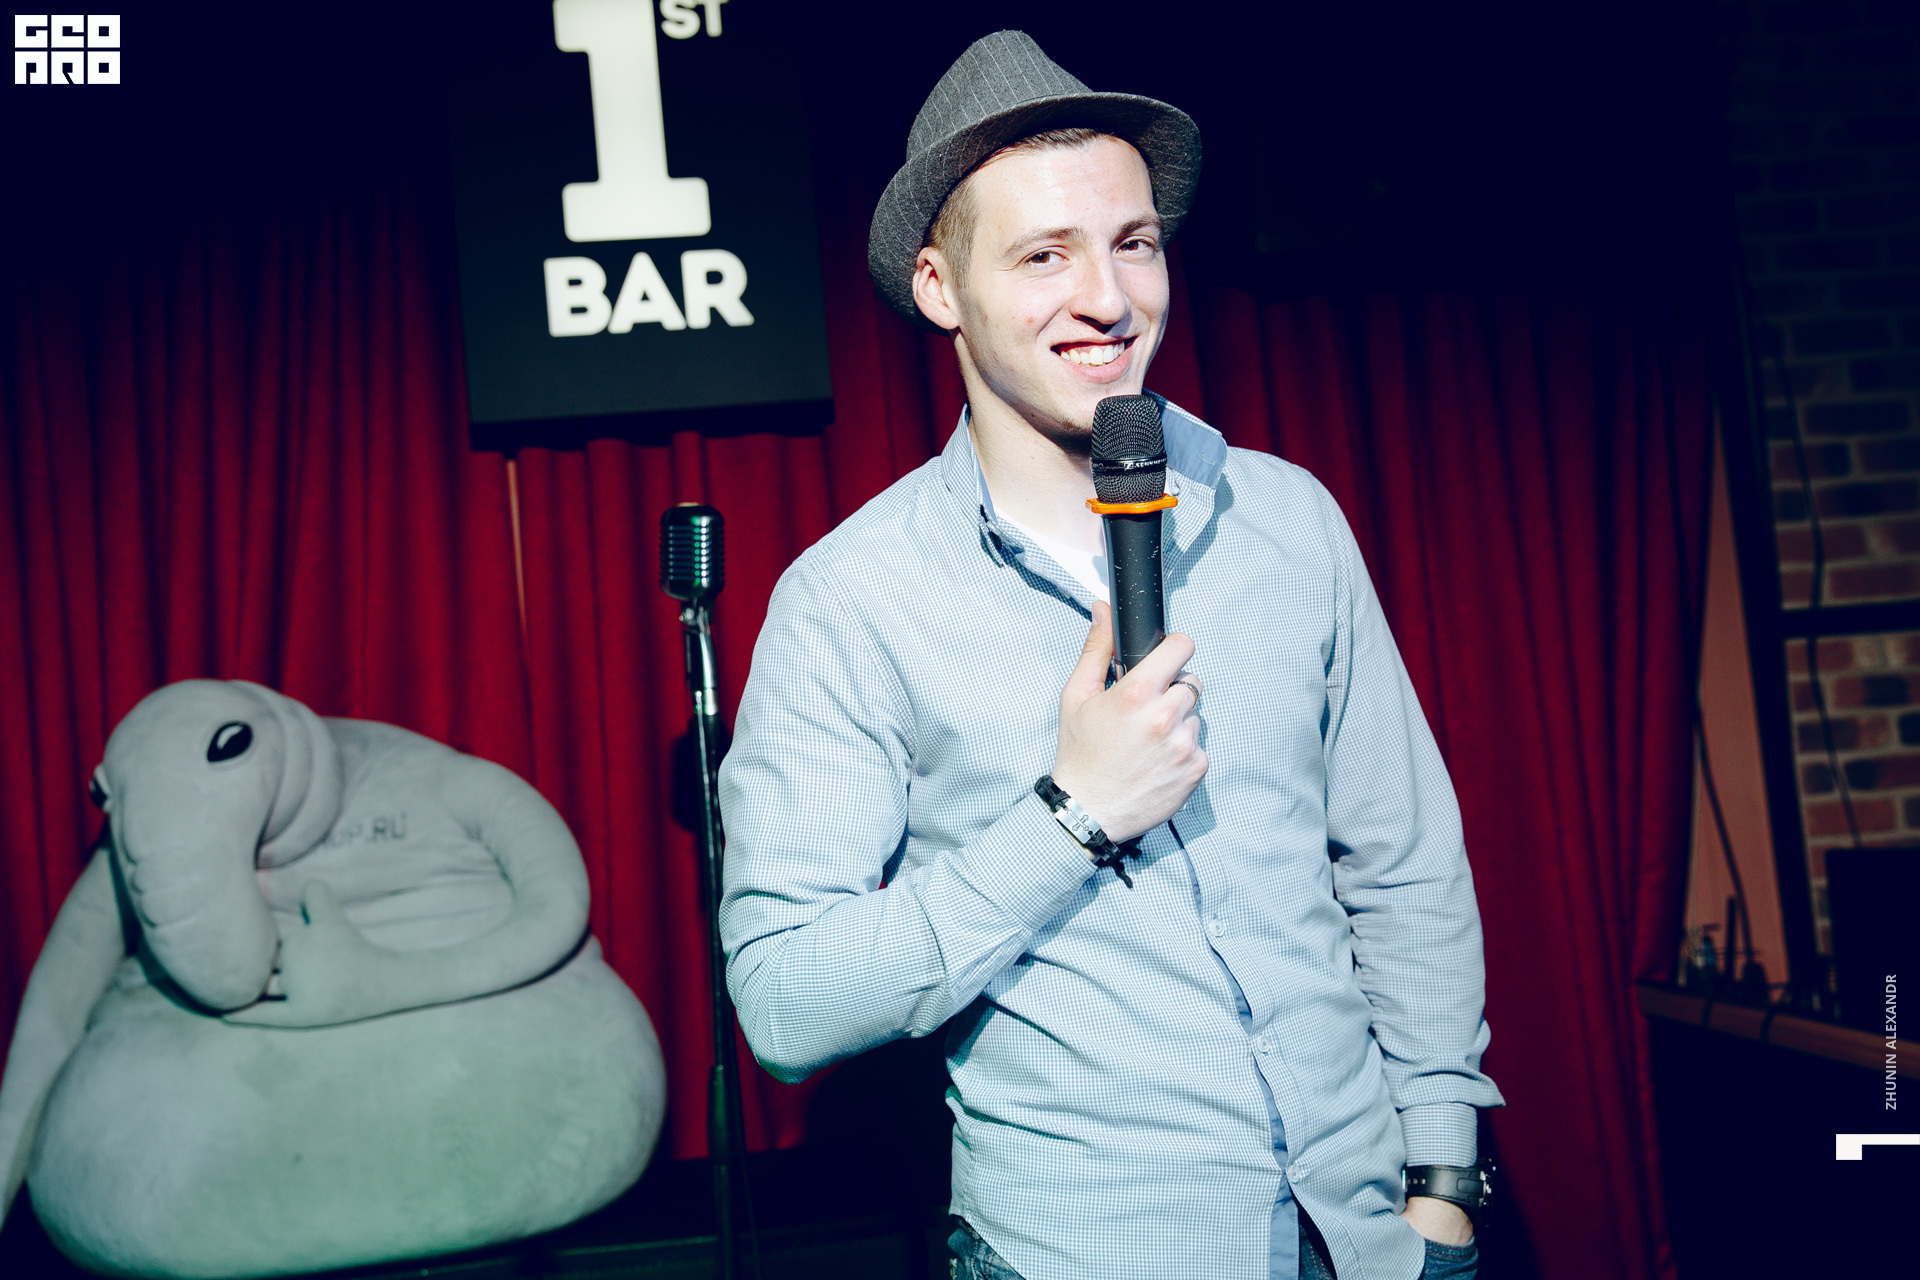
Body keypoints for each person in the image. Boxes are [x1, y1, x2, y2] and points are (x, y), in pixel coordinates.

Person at [717, 31, 1502, 1280]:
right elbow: (787, 998)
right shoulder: (849, 602)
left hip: (1373, 1244)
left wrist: (1443, 1181)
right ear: (940, 287)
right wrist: (1071, 815)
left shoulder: (1286, 517)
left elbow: (1404, 867)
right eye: (1045, 255)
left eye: (1134, 242)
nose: (1109, 298)